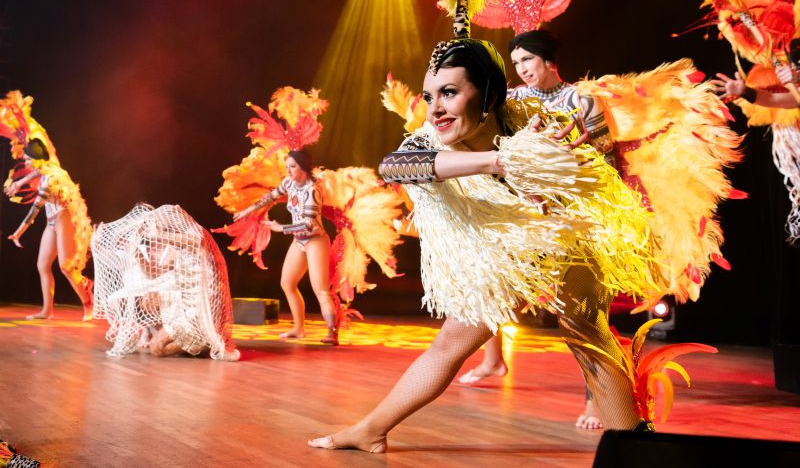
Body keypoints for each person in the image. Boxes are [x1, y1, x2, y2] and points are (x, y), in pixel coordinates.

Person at [309, 29, 660, 453]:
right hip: (505, 250)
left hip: (570, 232)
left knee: (586, 329)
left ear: (489, 95)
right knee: (453, 343)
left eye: (450, 92)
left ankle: (638, 450)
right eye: (429, 95)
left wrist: (568, 163)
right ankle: (371, 430)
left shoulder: (529, 117)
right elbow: (396, 165)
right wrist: (498, 162)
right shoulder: (427, 140)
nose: (435, 108)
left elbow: (593, 168)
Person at [457, 29, 612, 429]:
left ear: (548, 61)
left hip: (577, 216)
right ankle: (494, 361)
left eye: (528, 60)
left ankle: (596, 401)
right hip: (528, 217)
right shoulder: (516, 101)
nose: (522, 69)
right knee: (492, 291)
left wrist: (566, 163)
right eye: (517, 63)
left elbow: (607, 161)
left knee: (580, 316)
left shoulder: (582, 100)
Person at [92, 203, 239, 361]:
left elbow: (197, 242)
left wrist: (159, 234)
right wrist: (133, 252)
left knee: (158, 348)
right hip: (183, 304)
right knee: (153, 337)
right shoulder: (174, 245)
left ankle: (205, 338)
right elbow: (153, 274)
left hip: (199, 310)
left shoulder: (193, 234)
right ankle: (196, 339)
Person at [233, 150, 339, 345]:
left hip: (315, 241)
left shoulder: (312, 190)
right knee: (287, 283)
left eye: (292, 167)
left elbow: (309, 225)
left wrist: (280, 227)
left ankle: (332, 332)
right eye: (287, 167)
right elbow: (270, 197)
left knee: (320, 289)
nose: (288, 171)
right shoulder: (289, 183)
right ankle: (299, 328)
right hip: (299, 242)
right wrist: (247, 211)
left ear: (304, 168)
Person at [6, 138, 94, 320]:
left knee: (66, 267)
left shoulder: (52, 179)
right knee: (43, 265)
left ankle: (88, 302)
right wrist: (18, 183)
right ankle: (47, 311)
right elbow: (35, 172)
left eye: (29, 160)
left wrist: (17, 234)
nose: (27, 164)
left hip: (64, 218)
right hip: (52, 219)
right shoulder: (45, 167)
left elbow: (34, 211)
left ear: (38, 158)